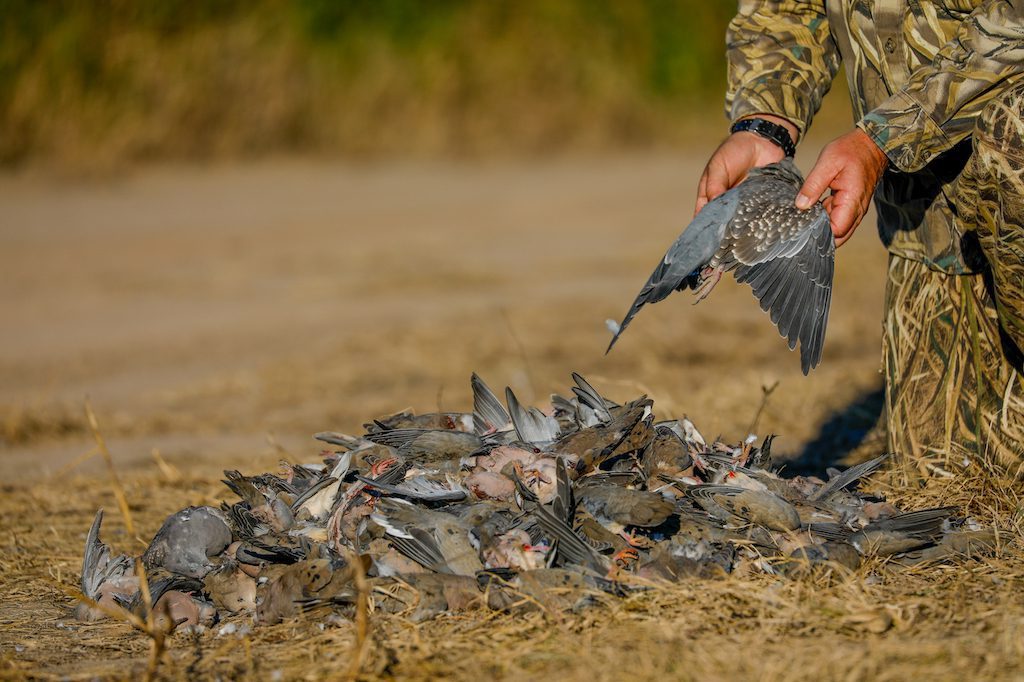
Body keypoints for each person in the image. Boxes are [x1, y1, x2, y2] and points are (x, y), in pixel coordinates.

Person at [699, 1, 1023, 478]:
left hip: (1005, 163)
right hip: (926, 223)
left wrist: (881, 139)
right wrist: (765, 124)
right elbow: (786, 10)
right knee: (943, 483)